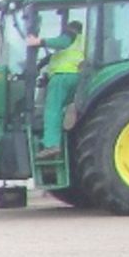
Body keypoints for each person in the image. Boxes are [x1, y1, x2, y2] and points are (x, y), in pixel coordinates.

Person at [26, 18, 85, 160]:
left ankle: (51, 144)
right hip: (76, 77)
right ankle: (67, 118)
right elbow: (53, 57)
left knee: (52, 109)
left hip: (62, 77)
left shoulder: (70, 36)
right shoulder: (82, 42)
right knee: (61, 108)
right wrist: (40, 66)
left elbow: (62, 42)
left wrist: (39, 42)